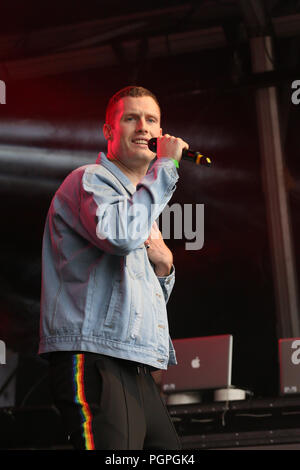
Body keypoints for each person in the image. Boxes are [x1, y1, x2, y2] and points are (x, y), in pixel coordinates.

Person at [39, 85, 188, 450]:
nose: (143, 127)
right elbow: (119, 237)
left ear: (159, 133)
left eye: (151, 120)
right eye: (131, 118)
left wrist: (165, 268)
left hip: (136, 366)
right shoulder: (90, 180)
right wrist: (166, 167)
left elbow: (133, 297)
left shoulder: (140, 202)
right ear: (109, 131)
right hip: (94, 360)